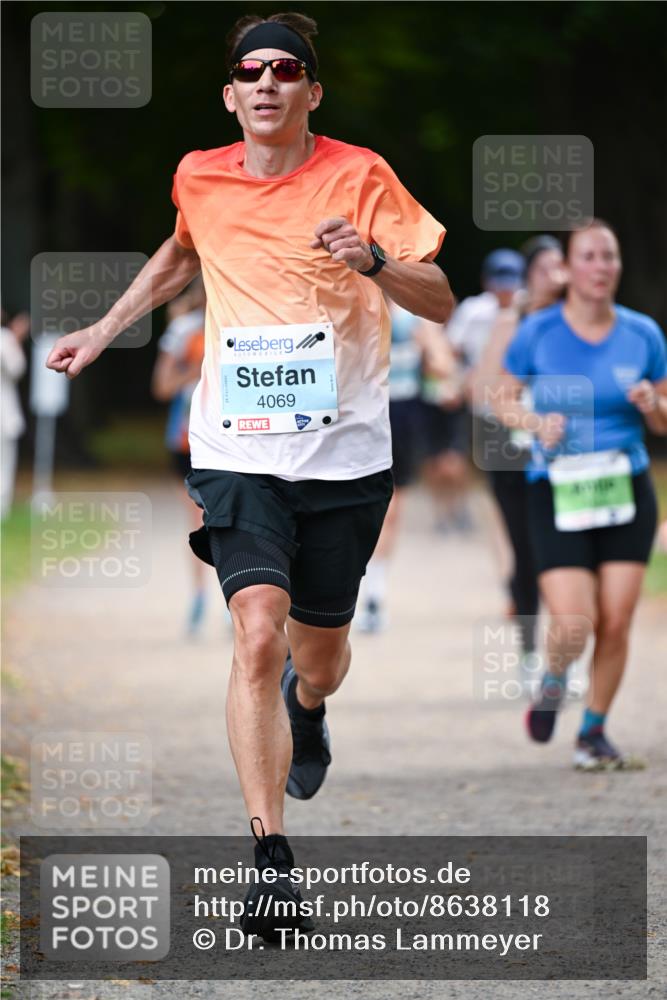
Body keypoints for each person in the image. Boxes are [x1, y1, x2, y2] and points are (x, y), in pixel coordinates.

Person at [45, 11, 453, 939]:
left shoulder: (361, 174)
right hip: (236, 448)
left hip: (345, 455)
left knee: (317, 658)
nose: (267, 82)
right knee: (255, 632)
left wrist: (378, 260)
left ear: (312, 91)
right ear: (231, 94)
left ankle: (308, 711)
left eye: (286, 69)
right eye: (249, 71)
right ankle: (269, 857)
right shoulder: (199, 173)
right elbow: (184, 251)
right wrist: (105, 330)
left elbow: (440, 299)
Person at [495, 219, 667, 769]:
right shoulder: (538, 332)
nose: (602, 267)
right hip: (557, 489)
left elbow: (664, 420)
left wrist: (652, 406)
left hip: (625, 488)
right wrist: (532, 421)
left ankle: (593, 732)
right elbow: (501, 397)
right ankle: (552, 678)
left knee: (616, 620)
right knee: (575, 621)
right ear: (567, 268)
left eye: (609, 256)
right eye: (590, 256)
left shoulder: (643, 334)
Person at [470, 236, 566, 686]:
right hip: (512, 450)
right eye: (546, 268)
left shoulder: (577, 317)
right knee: (526, 549)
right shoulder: (513, 319)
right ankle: (531, 652)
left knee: (562, 551)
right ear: (529, 276)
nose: (556, 275)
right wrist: (523, 409)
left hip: (565, 449)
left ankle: (566, 647)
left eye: (560, 266)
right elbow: (484, 389)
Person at [357, 298, 454, 633]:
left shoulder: (410, 318)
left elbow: (443, 367)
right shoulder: (352, 306)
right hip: (359, 416)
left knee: (391, 509)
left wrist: (427, 348)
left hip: (401, 415)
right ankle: (357, 589)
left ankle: (375, 594)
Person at [151, 279, 209, 636]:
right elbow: (161, 387)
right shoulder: (184, 330)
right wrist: (197, 369)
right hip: (188, 439)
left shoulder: (245, 320)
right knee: (201, 521)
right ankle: (200, 596)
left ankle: (235, 599)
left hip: (237, 439)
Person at [1, 311, 29, 519]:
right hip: (4, 413)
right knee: (4, 463)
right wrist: (16, 339)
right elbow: (17, 368)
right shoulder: (5, 338)